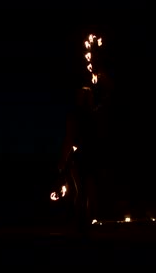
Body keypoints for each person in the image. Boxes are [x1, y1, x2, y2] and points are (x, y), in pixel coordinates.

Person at [57, 72, 114, 234]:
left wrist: (63, 160)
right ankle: (83, 225)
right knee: (86, 191)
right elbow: (70, 139)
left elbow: (69, 139)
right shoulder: (90, 116)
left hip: (86, 157)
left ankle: (82, 226)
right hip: (87, 157)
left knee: (83, 192)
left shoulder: (85, 116)